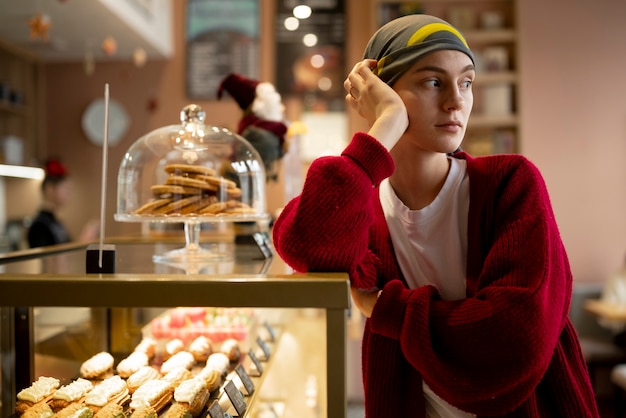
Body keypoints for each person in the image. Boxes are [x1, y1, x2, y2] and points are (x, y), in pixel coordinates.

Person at [272, 14, 598, 417]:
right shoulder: (363, 207)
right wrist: (385, 125)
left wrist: (386, 308)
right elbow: (304, 244)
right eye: (432, 81)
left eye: (466, 82)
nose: (456, 101)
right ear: (380, 92)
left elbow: (516, 339)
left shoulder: (510, 183)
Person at [28, 159, 99, 248]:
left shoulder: (56, 222)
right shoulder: (39, 226)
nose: (69, 195)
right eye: (66, 189)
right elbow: (46, 259)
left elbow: (67, 248)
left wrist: (85, 238)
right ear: (51, 189)